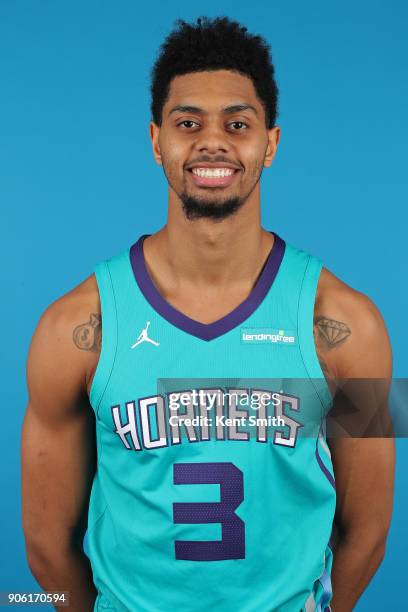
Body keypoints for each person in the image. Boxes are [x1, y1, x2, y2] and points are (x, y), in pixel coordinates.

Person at [21, 16, 395, 612]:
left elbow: (371, 532)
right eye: (187, 122)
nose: (212, 142)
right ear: (155, 141)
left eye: (238, 124)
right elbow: (44, 546)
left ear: (270, 143)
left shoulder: (357, 327)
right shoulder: (71, 329)